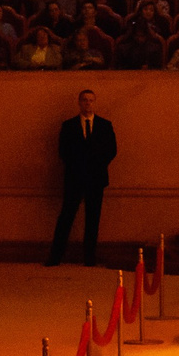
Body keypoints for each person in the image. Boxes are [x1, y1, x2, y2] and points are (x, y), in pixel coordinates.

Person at [48, 88, 116, 268]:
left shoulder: (105, 125)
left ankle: (89, 257)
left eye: (91, 100)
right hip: (75, 178)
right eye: (85, 100)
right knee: (66, 216)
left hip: (96, 178)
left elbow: (111, 150)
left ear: (95, 103)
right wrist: (79, 165)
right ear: (79, 102)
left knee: (93, 219)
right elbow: (63, 151)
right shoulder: (68, 126)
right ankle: (55, 256)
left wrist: (96, 164)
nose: (88, 103)